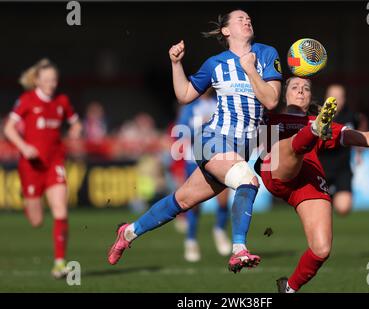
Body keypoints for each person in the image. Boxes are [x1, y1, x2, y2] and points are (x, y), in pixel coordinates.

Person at [108, 9, 282, 273]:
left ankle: (128, 232)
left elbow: (271, 100)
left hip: (240, 149)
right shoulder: (215, 64)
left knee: (183, 201)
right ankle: (238, 249)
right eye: (239, 18)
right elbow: (185, 95)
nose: (247, 20)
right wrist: (176, 64)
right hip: (212, 140)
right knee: (248, 181)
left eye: (249, 18)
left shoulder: (267, 54)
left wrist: (250, 69)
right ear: (225, 31)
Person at [256, 77, 369, 292]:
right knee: (291, 147)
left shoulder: (319, 122)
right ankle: (310, 134)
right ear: (283, 95)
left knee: (321, 249)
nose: (301, 92)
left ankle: (288, 288)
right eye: (295, 88)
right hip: (277, 171)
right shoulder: (269, 119)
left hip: (308, 178)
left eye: (306, 89)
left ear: (311, 98)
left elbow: (361, 137)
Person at [3, 58, 82, 278]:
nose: (51, 84)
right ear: (37, 80)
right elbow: (8, 128)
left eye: (54, 80)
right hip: (30, 166)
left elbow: (76, 122)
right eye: (47, 80)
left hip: (54, 163)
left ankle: (59, 264)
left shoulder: (62, 101)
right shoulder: (26, 100)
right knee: (36, 221)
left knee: (61, 210)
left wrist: (76, 129)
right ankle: (28, 196)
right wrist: (23, 146)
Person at [174, 89, 231, 262]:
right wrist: (202, 128)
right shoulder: (191, 106)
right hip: (195, 159)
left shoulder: (220, 102)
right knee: (193, 203)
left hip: (220, 156)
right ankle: (191, 241)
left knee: (223, 199)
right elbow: (180, 130)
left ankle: (219, 230)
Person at [318, 84, 368, 215]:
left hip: (342, 169)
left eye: (339, 97)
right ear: (326, 98)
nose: (335, 100)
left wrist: (358, 150)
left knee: (344, 208)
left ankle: (333, 196)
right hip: (320, 169)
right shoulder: (317, 117)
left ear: (344, 99)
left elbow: (362, 123)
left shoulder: (351, 116)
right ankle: (328, 197)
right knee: (320, 210)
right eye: (332, 97)